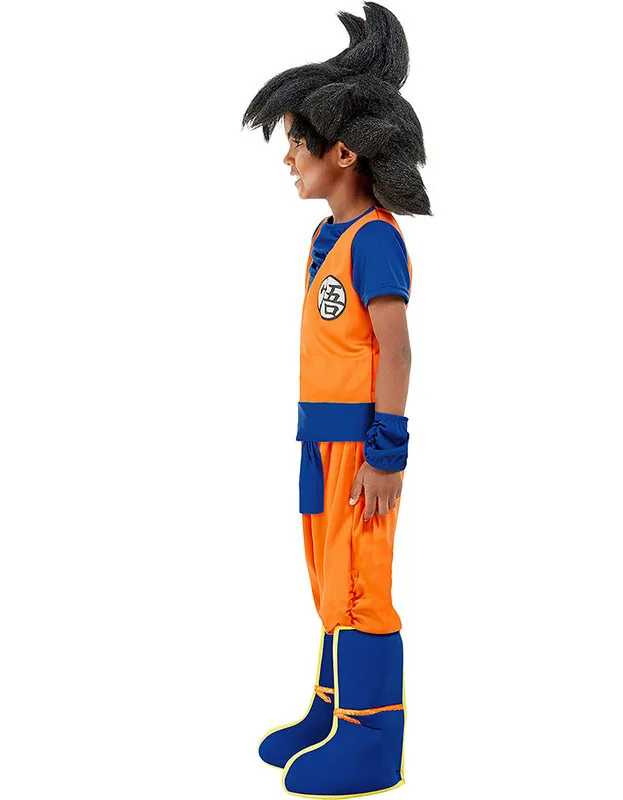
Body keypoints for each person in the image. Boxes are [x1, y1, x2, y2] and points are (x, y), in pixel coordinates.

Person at [241, 3, 431, 796]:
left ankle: (372, 738)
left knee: (360, 586)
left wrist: (387, 452)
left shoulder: (376, 239)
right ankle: (332, 709)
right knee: (328, 579)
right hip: (319, 443)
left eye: (296, 140)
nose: (288, 157)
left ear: (344, 152)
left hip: (361, 447)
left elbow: (398, 351)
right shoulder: (328, 237)